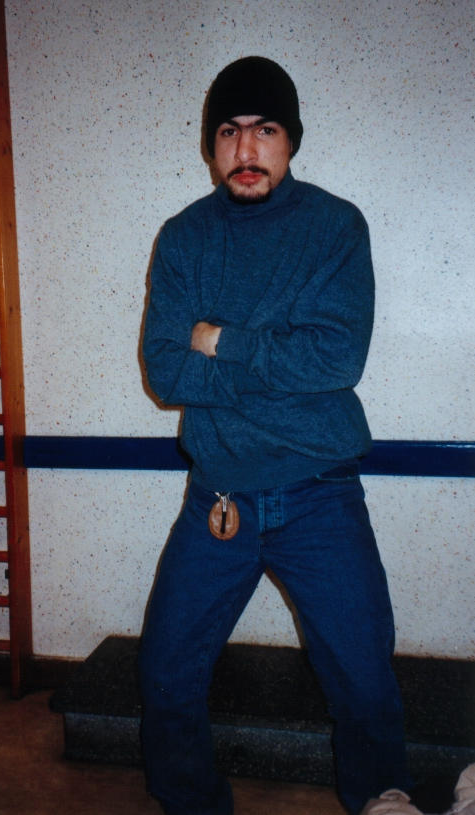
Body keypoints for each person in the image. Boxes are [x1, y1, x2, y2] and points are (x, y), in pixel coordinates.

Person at [140, 56, 412, 815]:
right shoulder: (184, 238)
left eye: (264, 130)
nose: (246, 148)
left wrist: (220, 340)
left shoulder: (334, 227)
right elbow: (165, 370)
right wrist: (277, 363)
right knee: (166, 672)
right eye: (228, 132)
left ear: (290, 140)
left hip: (320, 494)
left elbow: (337, 359)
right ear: (210, 145)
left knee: (363, 677)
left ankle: (381, 799)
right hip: (217, 499)